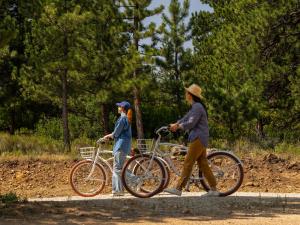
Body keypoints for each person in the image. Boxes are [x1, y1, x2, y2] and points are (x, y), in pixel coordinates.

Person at [164, 84, 219, 197]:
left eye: (186, 93)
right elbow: (186, 118)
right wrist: (176, 124)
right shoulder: (195, 107)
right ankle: (213, 189)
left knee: (188, 162)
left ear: (190, 95)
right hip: (201, 138)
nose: (185, 94)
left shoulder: (197, 107)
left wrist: (178, 127)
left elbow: (191, 123)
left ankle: (178, 188)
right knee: (203, 164)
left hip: (198, 138)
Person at [102, 101, 132, 196]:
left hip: (120, 145)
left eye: (119, 106)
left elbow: (116, 133)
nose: (118, 107)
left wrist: (107, 136)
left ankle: (135, 179)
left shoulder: (122, 119)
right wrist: (110, 135)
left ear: (122, 108)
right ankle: (117, 190)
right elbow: (117, 132)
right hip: (122, 145)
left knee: (118, 168)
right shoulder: (125, 119)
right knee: (117, 168)